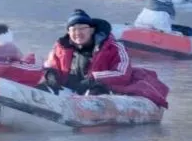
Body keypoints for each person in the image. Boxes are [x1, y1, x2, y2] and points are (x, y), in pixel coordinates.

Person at [41, 9, 170, 107]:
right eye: (73, 29)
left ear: (91, 30)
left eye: (82, 28)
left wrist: (93, 79)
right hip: (68, 90)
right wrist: (50, 76)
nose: (78, 33)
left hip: (101, 91)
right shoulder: (61, 47)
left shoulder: (114, 47)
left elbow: (122, 73)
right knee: (42, 87)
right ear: (68, 32)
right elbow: (49, 65)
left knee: (94, 93)